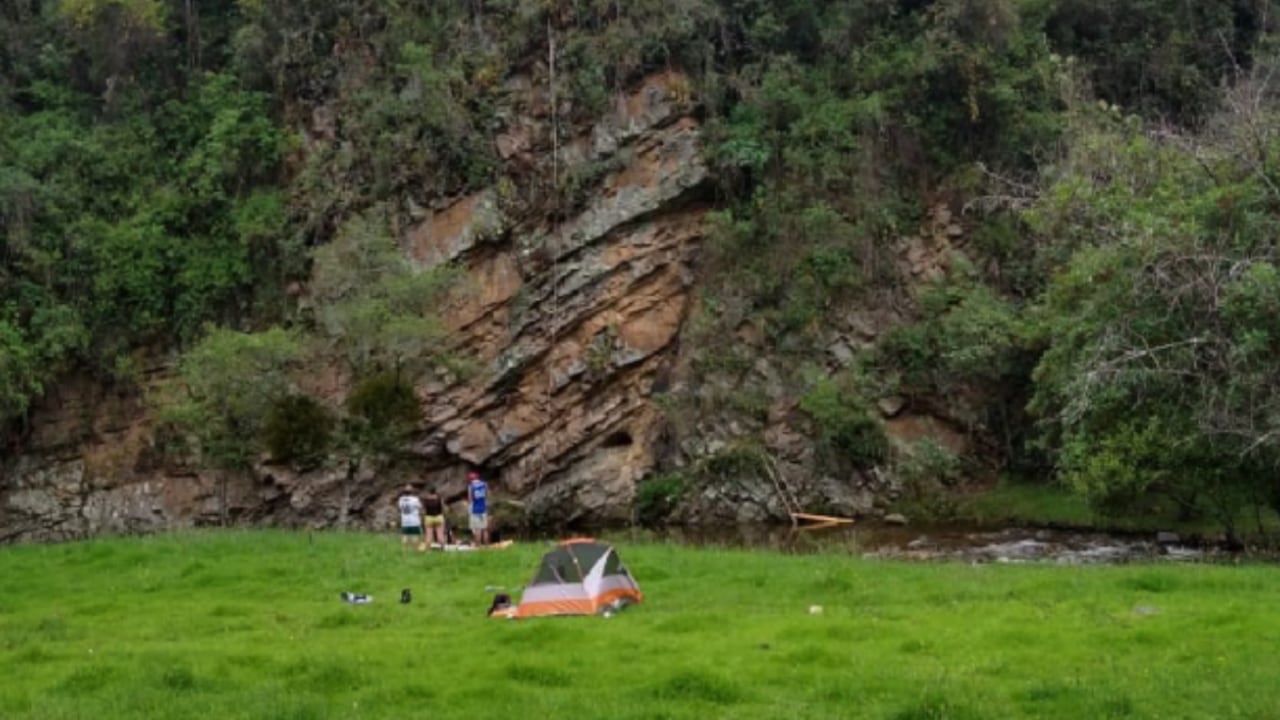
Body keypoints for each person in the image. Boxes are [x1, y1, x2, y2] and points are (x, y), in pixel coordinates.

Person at [395, 484, 425, 554]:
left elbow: (399, 507)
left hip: (405, 521)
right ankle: (416, 551)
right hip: (414, 521)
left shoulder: (401, 499)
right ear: (412, 491)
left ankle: (404, 551)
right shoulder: (415, 499)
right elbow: (420, 507)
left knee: (405, 536)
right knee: (415, 536)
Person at [467, 471, 489, 546]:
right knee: (485, 528)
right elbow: (486, 496)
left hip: (475, 509)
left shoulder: (471, 486)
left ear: (470, 480)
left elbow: (470, 499)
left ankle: (478, 545)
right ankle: (486, 544)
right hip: (483, 508)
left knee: (477, 528)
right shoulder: (484, 484)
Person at [422, 485, 446, 550]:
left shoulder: (425, 499)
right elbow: (443, 507)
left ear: (428, 492)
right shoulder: (439, 498)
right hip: (439, 517)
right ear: (435, 491)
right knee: (440, 536)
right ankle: (442, 549)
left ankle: (428, 551)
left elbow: (424, 510)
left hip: (429, 517)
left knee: (429, 536)